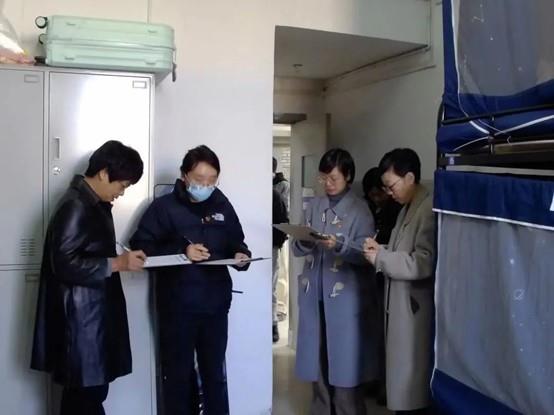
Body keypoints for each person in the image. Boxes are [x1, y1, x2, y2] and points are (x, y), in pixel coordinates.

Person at [130, 145, 251, 415]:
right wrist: (181, 251)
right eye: (199, 179)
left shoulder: (222, 204)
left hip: (215, 306)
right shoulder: (164, 208)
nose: (205, 186)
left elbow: (236, 240)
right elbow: (140, 247)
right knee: (177, 377)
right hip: (177, 308)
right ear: (184, 176)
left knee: (215, 375)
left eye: (212, 180)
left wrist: (241, 255)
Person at [31, 140, 147, 415]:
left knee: (88, 396)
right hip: (81, 325)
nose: (121, 192)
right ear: (104, 173)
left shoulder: (91, 203)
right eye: (122, 185)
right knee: (85, 398)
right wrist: (118, 263)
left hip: (90, 321)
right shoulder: (76, 205)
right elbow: (63, 263)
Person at [293, 148, 379, 415]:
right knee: (316, 359)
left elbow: (367, 255)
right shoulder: (315, 205)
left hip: (344, 299)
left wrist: (339, 245)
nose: (327, 184)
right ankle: (321, 409)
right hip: (314, 295)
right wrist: (305, 240)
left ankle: (347, 410)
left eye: (333, 178)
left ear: (348, 176)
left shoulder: (359, 210)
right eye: (324, 178)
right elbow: (297, 245)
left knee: (344, 364)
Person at [363, 148, 435, 415]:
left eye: (391, 186)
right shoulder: (407, 207)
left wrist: (381, 258)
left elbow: (423, 262)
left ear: (410, 177)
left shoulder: (427, 209)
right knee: (401, 384)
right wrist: (379, 249)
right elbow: (401, 250)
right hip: (399, 305)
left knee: (411, 390)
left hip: (414, 310)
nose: (389, 192)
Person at [361, 167, 402, 406]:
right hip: (374, 277)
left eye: (380, 192)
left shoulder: (396, 210)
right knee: (374, 334)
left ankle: (386, 387)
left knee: (388, 337)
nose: (377, 198)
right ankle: (376, 381)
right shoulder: (370, 209)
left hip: (391, 277)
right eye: (372, 195)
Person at [272, 188, 289, 343]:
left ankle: (272, 323)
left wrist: (278, 243)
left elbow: (283, 222)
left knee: (270, 288)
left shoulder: (274, 196)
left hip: (271, 246)